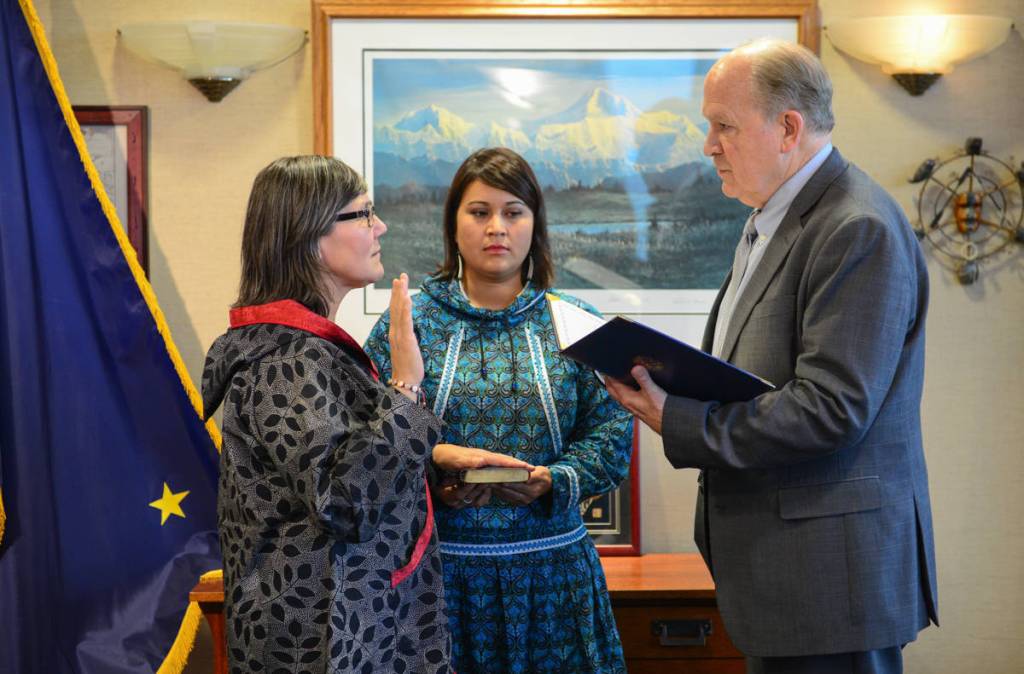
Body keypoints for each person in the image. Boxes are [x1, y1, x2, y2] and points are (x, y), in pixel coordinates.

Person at [606, 40, 938, 674]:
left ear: (788, 127)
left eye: (723, 125)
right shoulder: (772, 216)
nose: (708, 145)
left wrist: (678, 417)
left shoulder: (855, 226)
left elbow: (831, 409)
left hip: (831, 578)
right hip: (784, 572)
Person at [201, 155, 531, 674]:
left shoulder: (306, 349)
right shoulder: (288, 361)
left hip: (351, 629)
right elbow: (345, 503)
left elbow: (345, 470)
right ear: (308, 235)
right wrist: (406, 386)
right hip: (322, 644)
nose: (381, 226)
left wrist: (435, 463)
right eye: (362, 214)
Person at [365, 147, 634, 673]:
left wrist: (552, 479)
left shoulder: (578, 323)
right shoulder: (407, 322)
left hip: (555, 579)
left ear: (535, 223)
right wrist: (436, 469)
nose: (497, 228)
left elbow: (611, 436)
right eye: (480, 211)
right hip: (438, 582)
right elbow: (370, 442)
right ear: (454, 224)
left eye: (513, 212)